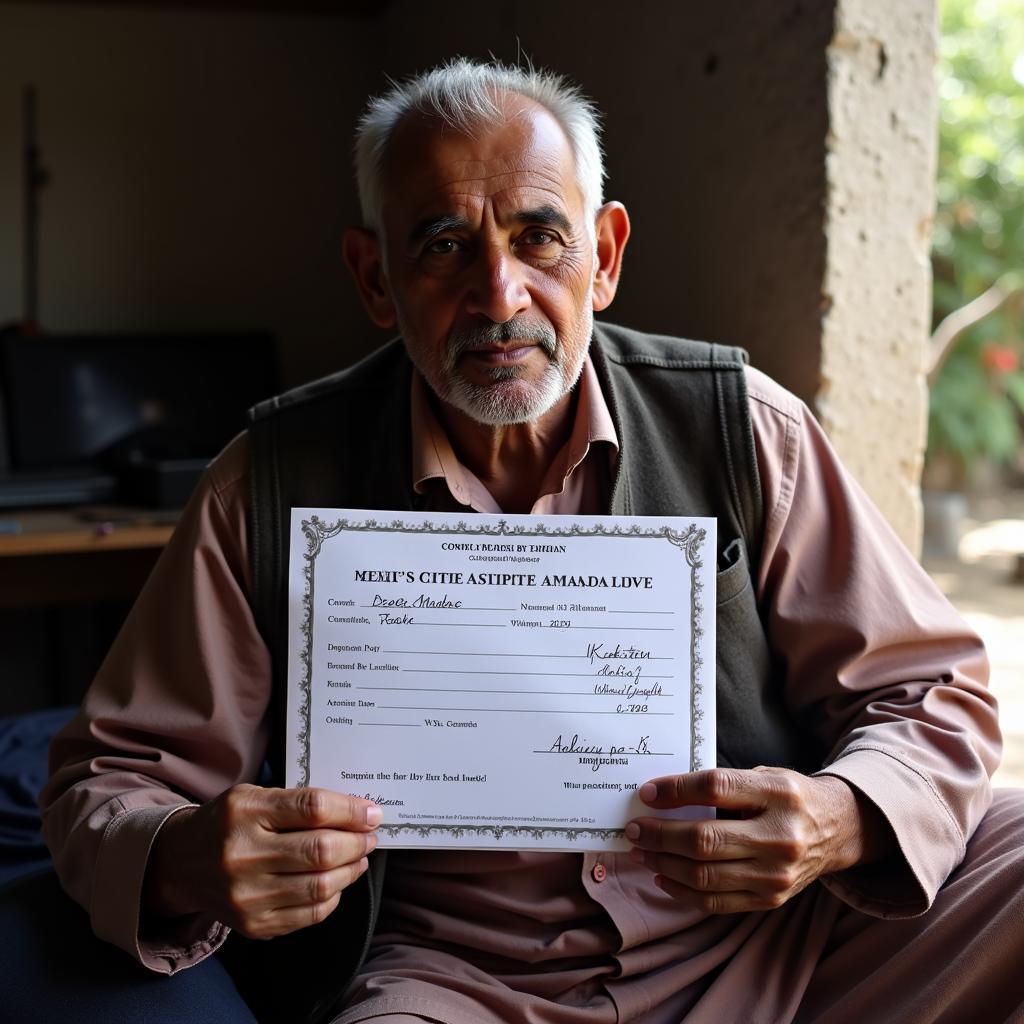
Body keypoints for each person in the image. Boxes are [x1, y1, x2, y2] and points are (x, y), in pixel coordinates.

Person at [36, 58, 1024, 1024]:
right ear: (373, 278)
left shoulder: (742, 429)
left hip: (779, 947)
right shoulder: (270, 482)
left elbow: (929, 690)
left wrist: (839, 817)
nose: (500, 296)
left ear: (606, 254)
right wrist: (184, 854)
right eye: (441, 246)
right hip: (454, 977)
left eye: (539, 237)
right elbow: (108, 782)